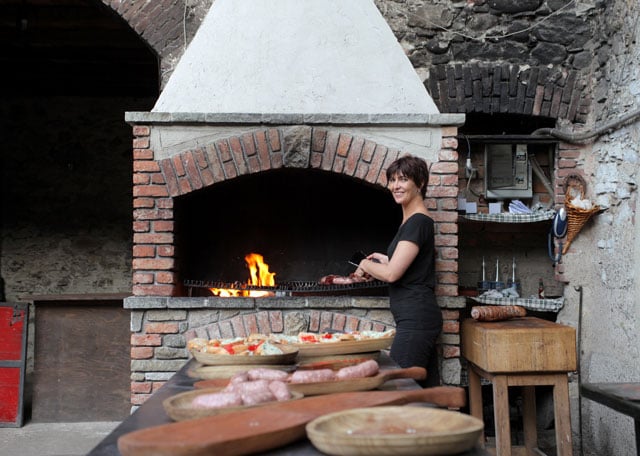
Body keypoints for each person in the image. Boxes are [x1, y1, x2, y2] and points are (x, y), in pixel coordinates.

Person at [353, 154, 442, 387]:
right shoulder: (412, 220)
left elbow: (393, 274)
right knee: (422, 393)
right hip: (416, 317)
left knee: (397, 387)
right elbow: (409, 263)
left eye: (403, 179)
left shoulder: (418, 221)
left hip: (417, 319)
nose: (395, 186)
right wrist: (385, 259)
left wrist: (365, 264)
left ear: (420, 183)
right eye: (392, 180)